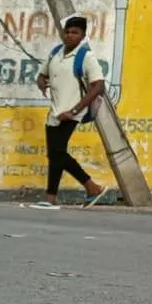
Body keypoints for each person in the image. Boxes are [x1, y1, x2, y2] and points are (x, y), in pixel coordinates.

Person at [35, 15, 109, 207]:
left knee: (58, 152)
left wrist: (75, 110)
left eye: (74, 32)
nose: (69, 36)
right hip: (54, 112)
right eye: (67, 32)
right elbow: (42, 75)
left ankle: (92, 186)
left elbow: (98, 86)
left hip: (72, 111)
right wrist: (41, 82)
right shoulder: (56, 53)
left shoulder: (86, 56)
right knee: (55, 155)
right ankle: (51, 198)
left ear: (83, 35)